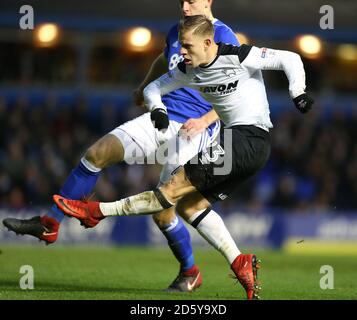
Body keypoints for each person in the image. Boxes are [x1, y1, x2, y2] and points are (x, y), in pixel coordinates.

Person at [52, 15, 314, 300]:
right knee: (190, 207)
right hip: (240, 143)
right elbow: (153, 88)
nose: (182, 53)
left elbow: (290, 58)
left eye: (187, 47)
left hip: (247, 139)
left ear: (207, 42)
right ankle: (240, 261)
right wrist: (157, 110)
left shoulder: (239, 56)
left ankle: (97, 212)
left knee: (169, 191)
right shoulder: (189, 71)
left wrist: (297, 93)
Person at [2, 0, 240, 292]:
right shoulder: (175, 32)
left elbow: (239, 90)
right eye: (181, 1)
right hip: (161, 116)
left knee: (163, 211)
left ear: (209, 1)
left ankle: (190, 272)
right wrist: (144, 86)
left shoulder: (224, 36)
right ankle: (51, 223)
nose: (185, 6)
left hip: (194, 129)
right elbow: (165, 60)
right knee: (96, 154)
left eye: (192, 1)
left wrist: (206, 120)